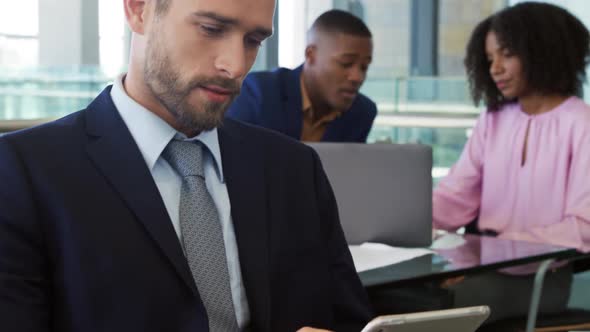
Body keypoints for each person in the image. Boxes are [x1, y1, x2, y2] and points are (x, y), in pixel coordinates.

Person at [0, 0, 371, 331]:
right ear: (138, 9)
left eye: (254, 40)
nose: (235, 65)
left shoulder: (294, 168)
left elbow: (349, 320)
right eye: (211, 29)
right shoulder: (23, 173)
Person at [432, 1, 590, 322]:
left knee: (430, 304)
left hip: (542, 277)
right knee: (385, 294)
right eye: (490, 58)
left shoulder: (581, 123)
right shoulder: (493, 120)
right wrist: (405, 222)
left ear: (542, 50)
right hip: (478, 264)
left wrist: (492, 250)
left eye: (506, 54)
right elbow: (454, 197)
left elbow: (583, 227)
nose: (495, 68)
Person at [226, 9, 376, 143]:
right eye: (346, 63)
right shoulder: (257, 94)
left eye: (364, 67)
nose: (357, 77)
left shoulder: (362, 113)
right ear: (311, 55)